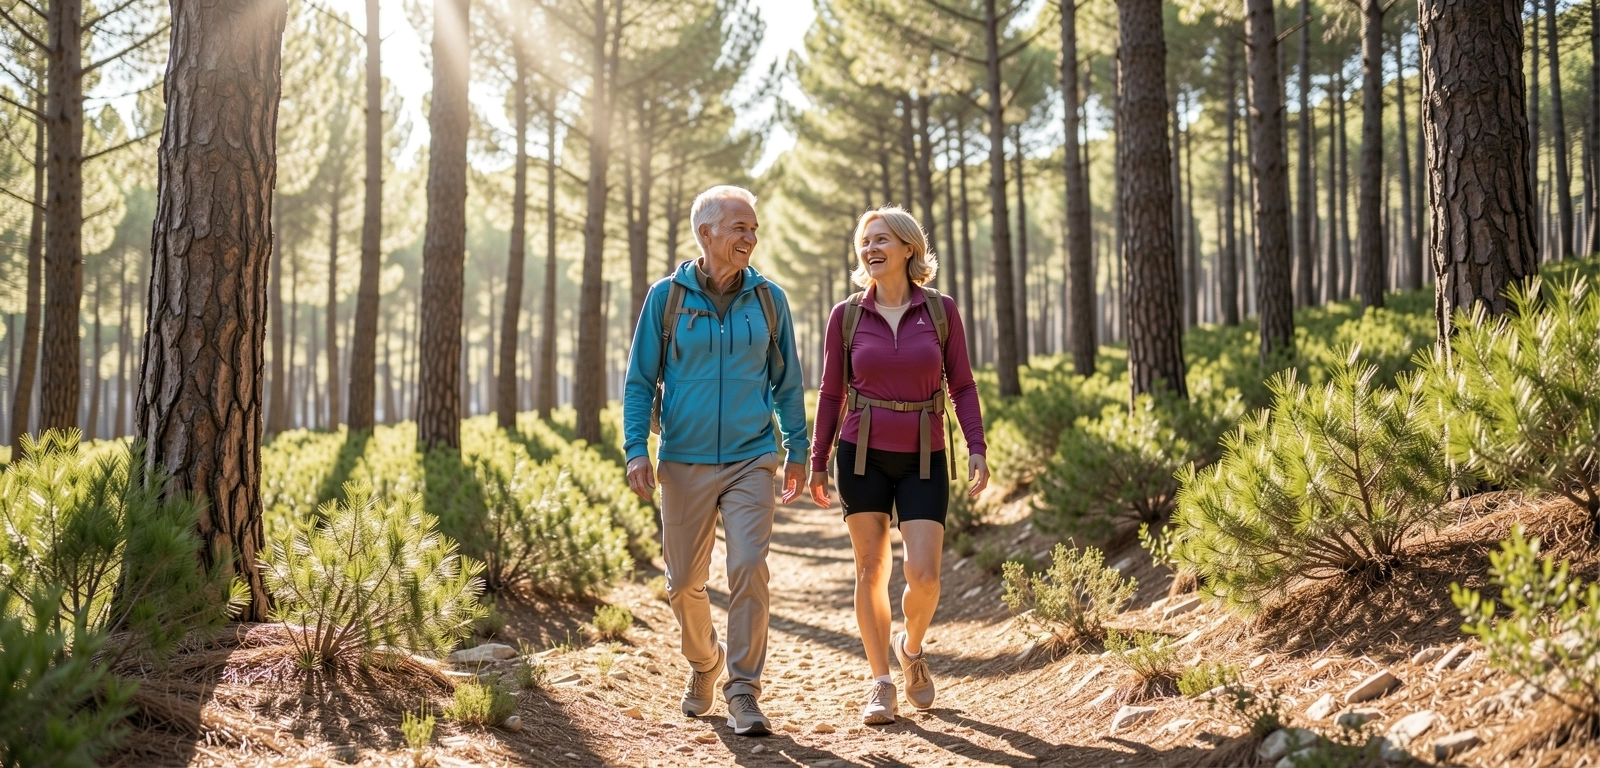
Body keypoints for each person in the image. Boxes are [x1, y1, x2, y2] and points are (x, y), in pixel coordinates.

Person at [622, 185, 808, 737]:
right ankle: (706, 662)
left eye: (753, 228)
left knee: (749, 566)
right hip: (683, 458)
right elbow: (639, 382)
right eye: (740, 228)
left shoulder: (770, 299)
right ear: (706, 234)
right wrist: (637, 449)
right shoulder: (667, 298)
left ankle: (744, 690)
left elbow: (788, 381)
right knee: (683, 584)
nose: (751, 237)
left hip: (752, 456)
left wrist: (797, 447)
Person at [809, 205, 989, 725]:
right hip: (860, 452)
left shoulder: (939, 310)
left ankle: (911, 650)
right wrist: (818, 460)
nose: (871, 249)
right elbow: (830, 392)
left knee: (924, 574)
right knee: (871, 569)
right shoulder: (845, 316)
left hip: (925, 453)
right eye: (865, 241)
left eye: (882, 239)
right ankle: (881, 683)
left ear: (909, 248)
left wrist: (975, 445)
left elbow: (962, 384)